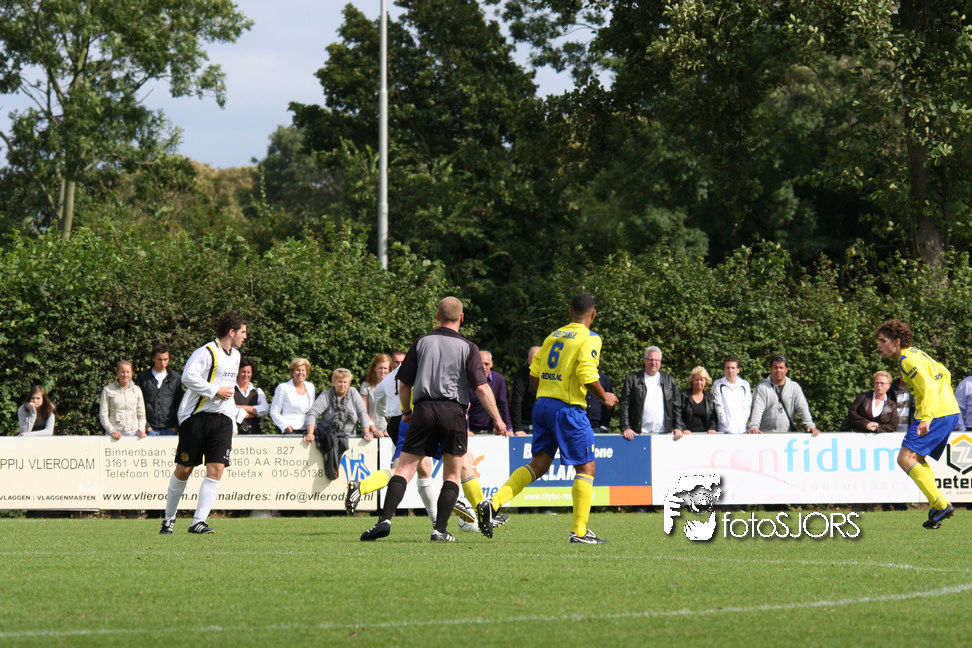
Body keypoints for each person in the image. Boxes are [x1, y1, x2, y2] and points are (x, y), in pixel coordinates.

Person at [359, 296, 507, 542]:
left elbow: (404, 384)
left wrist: (406, 412)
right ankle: (440, 530)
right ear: (462, 318)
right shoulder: (468, 347)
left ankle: (384, 521)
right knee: (452, 475)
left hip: (423, 410)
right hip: (453, 412)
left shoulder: (421, 342)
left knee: (404, 468)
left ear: (437, 316)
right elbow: (481, 388)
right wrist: (498, 420)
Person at [476, 293, 619, 544]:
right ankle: (580, 532)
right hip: (568, 409)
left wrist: (547, 393)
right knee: (587, 468)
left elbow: (534, 373)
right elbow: (587, 372)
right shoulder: (590, 337)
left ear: (570, 312)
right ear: (594, 314)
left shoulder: (554, 335)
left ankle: (493, 503)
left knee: (539, 464)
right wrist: (604, 395)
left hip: (542, 406)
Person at [160, 310, 248, 535]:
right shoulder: (207, 351)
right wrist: (214, 391)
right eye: (243, 332)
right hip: (196, 416)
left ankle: (198, 522)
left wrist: (233, 422)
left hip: (222, 419)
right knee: (184, 469)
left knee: (217, 468)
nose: (245, 336)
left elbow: (229, 391)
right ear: (232, 332)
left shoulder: (236, 356)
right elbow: (188, 377)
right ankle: (168, 519)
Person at [877, 319, 959, 529]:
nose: (879, 345)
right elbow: (945, 373)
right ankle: (938, 505)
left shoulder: (906, 360)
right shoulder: (917, 353)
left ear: (896, 341)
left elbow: (929, 387)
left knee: (905, 459)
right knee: (917, 458)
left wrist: (927, 416)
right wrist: (944, 398)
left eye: (883, 341)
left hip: (936, 413)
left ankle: (941, 505)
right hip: (949, 411)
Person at [303, 368, 377, 479]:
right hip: (328, 437)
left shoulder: (353, 393)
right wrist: (310, 433)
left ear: (349, 383)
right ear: (334, 383)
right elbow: (313, 413)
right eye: (340, 382)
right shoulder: (326, 395)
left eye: (345, 382)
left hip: (349, 436)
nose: (342, 385)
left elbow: (362, 412)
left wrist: (366, 432)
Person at [747, 355, 821, 436]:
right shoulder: (762, 388)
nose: (778, 370)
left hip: (787, 436)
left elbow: (802, 408)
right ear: (771, 369)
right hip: (765, 434)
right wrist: (754, 426)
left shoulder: (794, 387)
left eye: (781, 368)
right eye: (775, 367)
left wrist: (810, 426)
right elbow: (757, 409)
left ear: (786, 370)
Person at [619, 346, 683, 439]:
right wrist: (626, 427)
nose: (654, 363)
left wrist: (678, 427)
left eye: (657, 360)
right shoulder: (632, 379)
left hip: (664, 434)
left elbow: (676, 406)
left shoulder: (670, 381)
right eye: (650, 360)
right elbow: (625, 405)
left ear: (660, 362)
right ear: (645, 360)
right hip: (637, 434)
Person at [136, 343, 183, 436]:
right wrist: (147, 426)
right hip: (150, 429)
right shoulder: (143, 377)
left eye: (165, 359)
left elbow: (180, 402)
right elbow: (138, 403)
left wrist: (175, 426)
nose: (162, 363)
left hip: (170, 429)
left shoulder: (175, 377)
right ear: (153, 358)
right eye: (159, 359)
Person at [467, 350, 513, 435]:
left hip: (492, 429)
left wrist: (509, 428)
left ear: (491, 364)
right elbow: (465, 407)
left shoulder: (499, 379)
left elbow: (504, 404)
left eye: (486, 364)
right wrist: (467, 429)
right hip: (471, 430)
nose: (483, 367)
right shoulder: (468, 380)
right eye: (480, 364)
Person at [99, 360, 147, 439]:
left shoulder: (137, 390)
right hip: (114, 434)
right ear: (117, 373)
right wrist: (112, 431)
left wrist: (141, 430)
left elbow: (141, 414)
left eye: (128, 372)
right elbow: (103, 414)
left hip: (134, 433)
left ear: (132, 373)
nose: (125, 375)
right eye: (122, 372)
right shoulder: (108, 390)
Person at [269, 358, 315, 435]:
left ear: (307, 372)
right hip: (291, 430)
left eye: (303, 370)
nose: (300, 373)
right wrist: (286, 427)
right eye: (298, 370)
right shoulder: (283, 387)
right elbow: (274, 412)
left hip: (308, 430)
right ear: (292, 372)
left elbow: (312, 411)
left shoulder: (311, 387)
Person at [712, 355, 752, 434]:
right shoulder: (718, 384)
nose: (730, 370)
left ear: (738, 370)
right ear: (724, 369)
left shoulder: (745, 385)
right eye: (728, 368)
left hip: (741, 431)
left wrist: (741, 426)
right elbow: (718, 406)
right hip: (724, 431)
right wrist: (726, 425)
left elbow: (746, 407)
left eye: (733, 368)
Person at [676, 366, 719, 439]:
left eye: (702, 380)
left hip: (706, 436)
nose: (699, 382)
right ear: (692, 380)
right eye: (696, 379)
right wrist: (683, 428)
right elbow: (677, 415)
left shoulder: (710, 398)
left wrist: (712, 428)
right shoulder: (682, 395)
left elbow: (714, 417)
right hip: (686, 436)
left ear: (706, 381)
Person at [510, 346, 540, 436]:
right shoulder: (522, 374)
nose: (537, 362)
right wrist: (517, 428)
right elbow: (516, 401)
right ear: (529, 361)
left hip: (543, 424)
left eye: (539, 359)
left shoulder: (549, 374)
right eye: (534, 359)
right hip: (524, 424)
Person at [234, 356, 269, 434]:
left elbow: (264, 410)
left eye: (248, 372)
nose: (246, 375)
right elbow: (230, 410)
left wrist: (239, 407)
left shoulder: (258, 391)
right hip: (235, 433)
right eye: (243, 372)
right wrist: (255, 413)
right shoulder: (231, 390)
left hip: (255, 433)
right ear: (238, 372)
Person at [360, 354, 391, 437]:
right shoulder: (366, 386)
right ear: (374, 368)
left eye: (385, 368)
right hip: (370, 431)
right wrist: (374, 429)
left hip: (388, 431)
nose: (382, 371)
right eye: (380, 368)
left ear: (389, 369)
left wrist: (390, 428)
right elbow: (363, 411)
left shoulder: (393, 386)